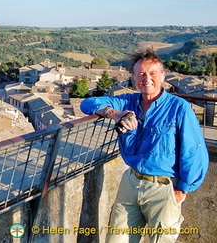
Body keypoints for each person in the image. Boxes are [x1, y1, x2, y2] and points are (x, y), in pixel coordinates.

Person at [80, 48, 209, 243]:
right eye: (140, 74)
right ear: (133, 77)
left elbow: (194, 152)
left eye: (152, 73)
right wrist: (115, 113)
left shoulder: (179, 108)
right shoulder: (127, 101)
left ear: (163, 76)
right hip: (131, 182)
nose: (146, 78)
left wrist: (183, 189)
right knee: (116, 240)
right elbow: (88, 103)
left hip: (164, 187)